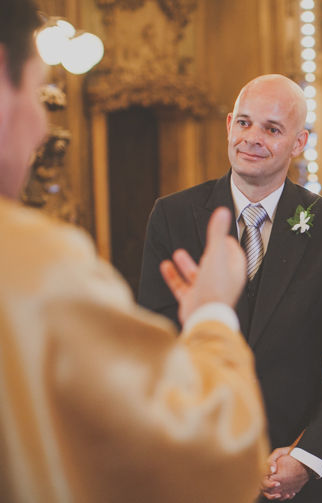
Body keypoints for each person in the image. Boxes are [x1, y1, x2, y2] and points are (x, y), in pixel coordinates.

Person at [0, 1, 269, 501]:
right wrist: (211, 312)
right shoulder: (37, 262)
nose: (41, 126)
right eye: (37, 91)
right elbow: (209, 447)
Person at [138, 74, 322, 501]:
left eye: (272, 129)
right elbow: (153, 344)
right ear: (230, 123)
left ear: (299, 142)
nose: (252, 138)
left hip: (290, 463)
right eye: (245, 123)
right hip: (195, 462)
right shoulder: (172, 217)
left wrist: (306, 457)